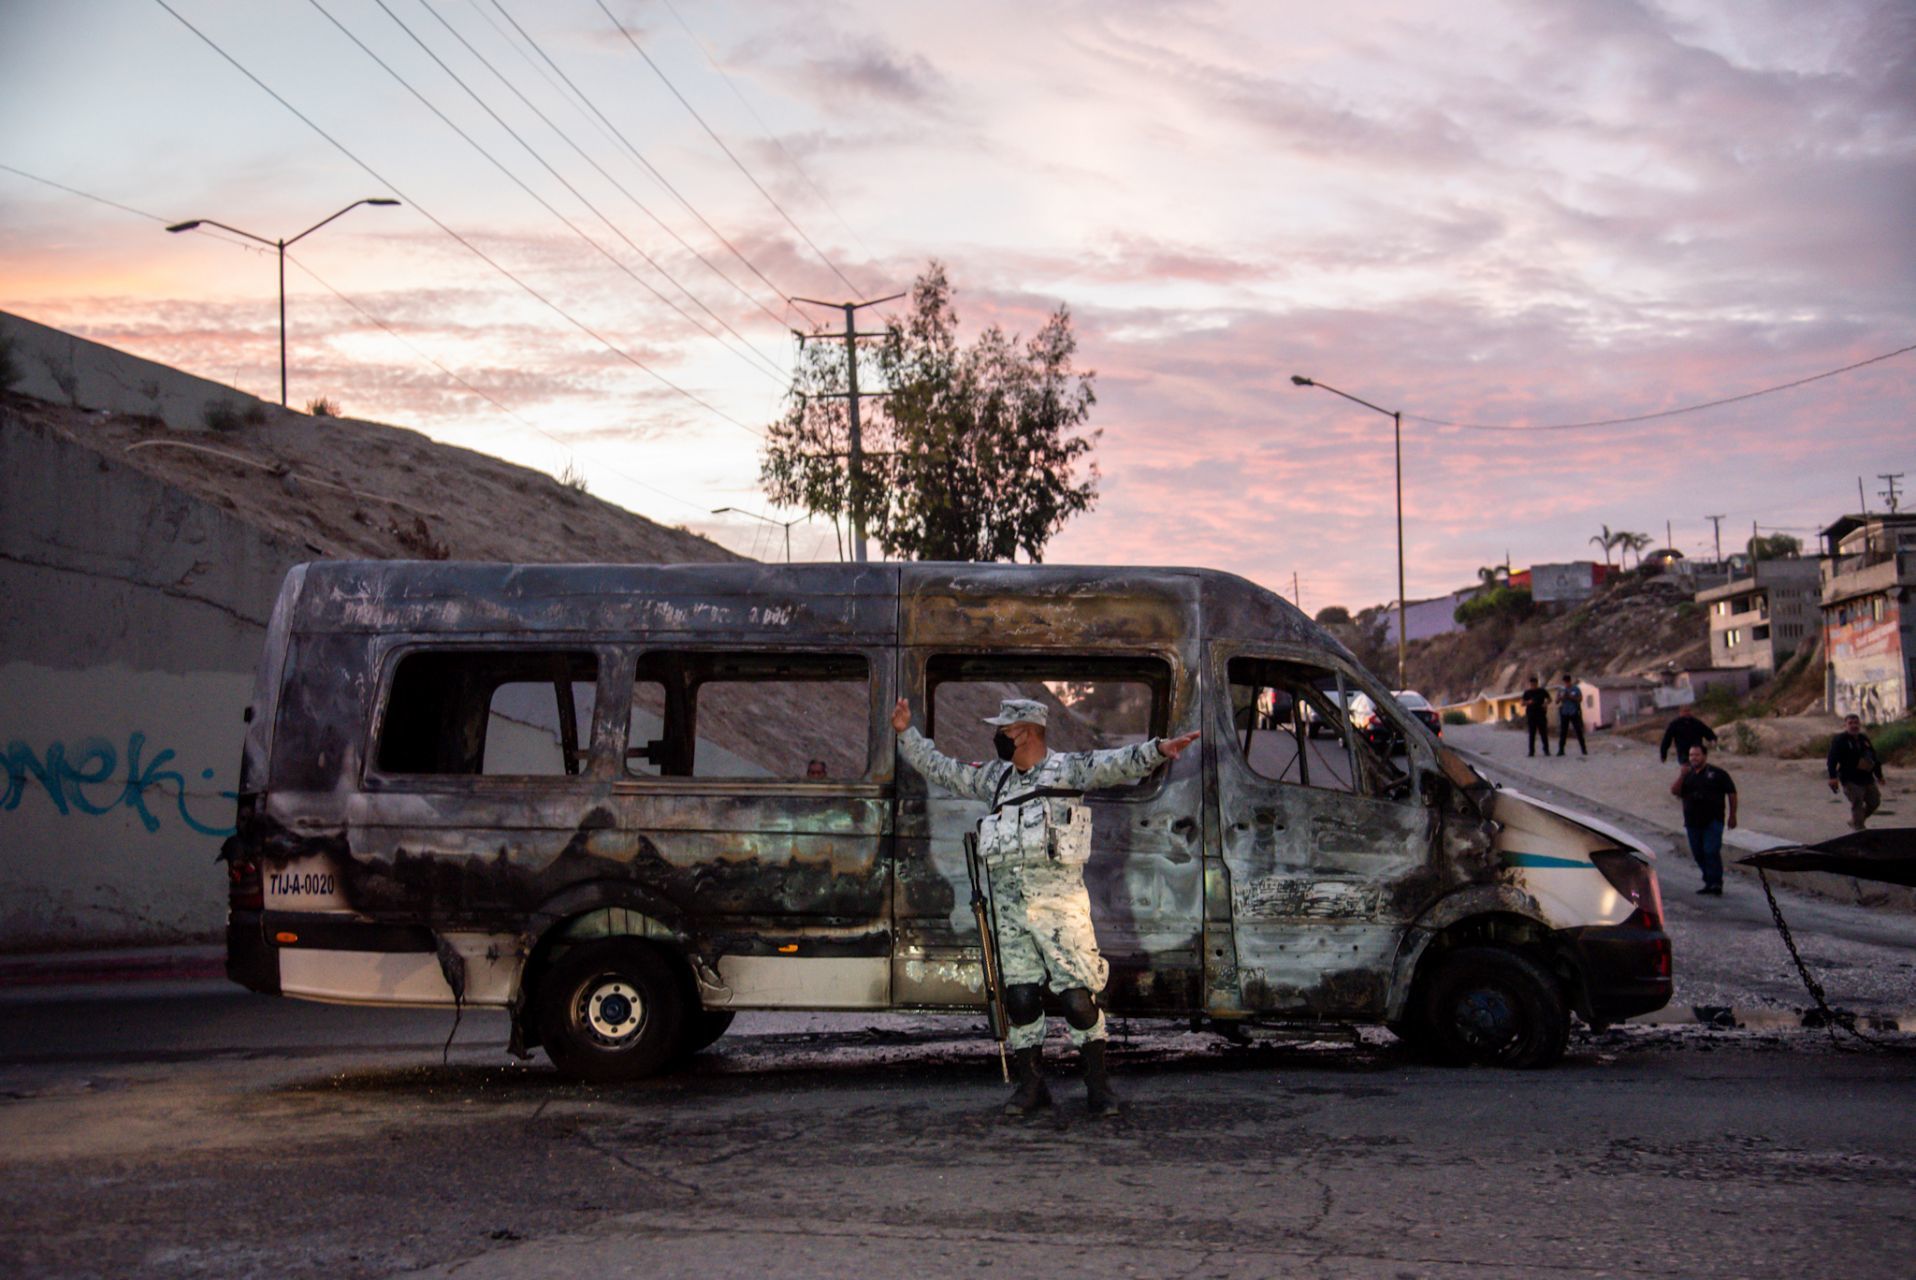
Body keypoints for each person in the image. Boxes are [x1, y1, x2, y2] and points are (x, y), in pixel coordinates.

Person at [891, 695, 1199, 1118]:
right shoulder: (995, 779)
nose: (998, 737)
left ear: (1026, 732)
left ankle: (1098, 1087)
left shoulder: (1067, 770)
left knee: (1077, 999)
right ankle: (1032, 1087)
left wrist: (1159, 749)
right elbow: (943, 768)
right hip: (1010, 911)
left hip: (1060, 910)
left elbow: (1116, 763)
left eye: (1004, 730)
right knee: (1019, 998)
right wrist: (906, 734)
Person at [1670, 743, 1737, 895]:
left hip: (1713, 819)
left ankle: (1716, 883)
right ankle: (1709, 881)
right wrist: (1682, 775)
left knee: (1711, 851)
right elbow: (1675, 791)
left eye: (1697, 755)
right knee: (1698, 852)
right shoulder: (1688, 775)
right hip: (1692, 821)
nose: (1694, 758)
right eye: (1691, 755)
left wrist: (1732, 815)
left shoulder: (1718, 774)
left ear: (1704, 756)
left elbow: (1732, 793)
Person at [1826, 714, 1886, 830]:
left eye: (1856, 723)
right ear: (1845, 725)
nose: (1854, 726)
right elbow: (1832, 759)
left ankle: (1855, 821)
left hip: (1866, 777)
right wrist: (1832, 777)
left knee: (1874, 802)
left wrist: (1879, 775)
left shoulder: (1864, 739)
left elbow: (1874, 758)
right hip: (1850, 779)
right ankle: (1859, 829)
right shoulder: (1840, 740)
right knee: (1857, 802)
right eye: (1851, 723)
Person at [1519, 675, 1551, 757]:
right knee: (1532, 734)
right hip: (1531, 715)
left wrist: (1545, 703)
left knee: (1543, 733)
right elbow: (1521, 703)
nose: (1533, 685)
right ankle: (1531, 751)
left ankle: (1546, 750)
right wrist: (1528, 702)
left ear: (1537, 683)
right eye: (1531, 684)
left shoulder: (1542, 691)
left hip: (1541, 714)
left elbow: (1549, 699)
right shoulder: (1527, 692)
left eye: (1534, 684)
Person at [1556, 672, 1586, 756]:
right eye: (1565, 682)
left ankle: (1583, 749)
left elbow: (1580, 699)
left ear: (1570, 681)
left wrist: (1570, 697)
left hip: (1573, 712)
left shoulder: (1575, 689)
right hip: (1564, 712)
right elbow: (1556, 701)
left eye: (1567, 681)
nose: (1566, 683)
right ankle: (1561, 750)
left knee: (1578, 731)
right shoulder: (1561, 690)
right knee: (1563, 732)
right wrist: (1561, 697)